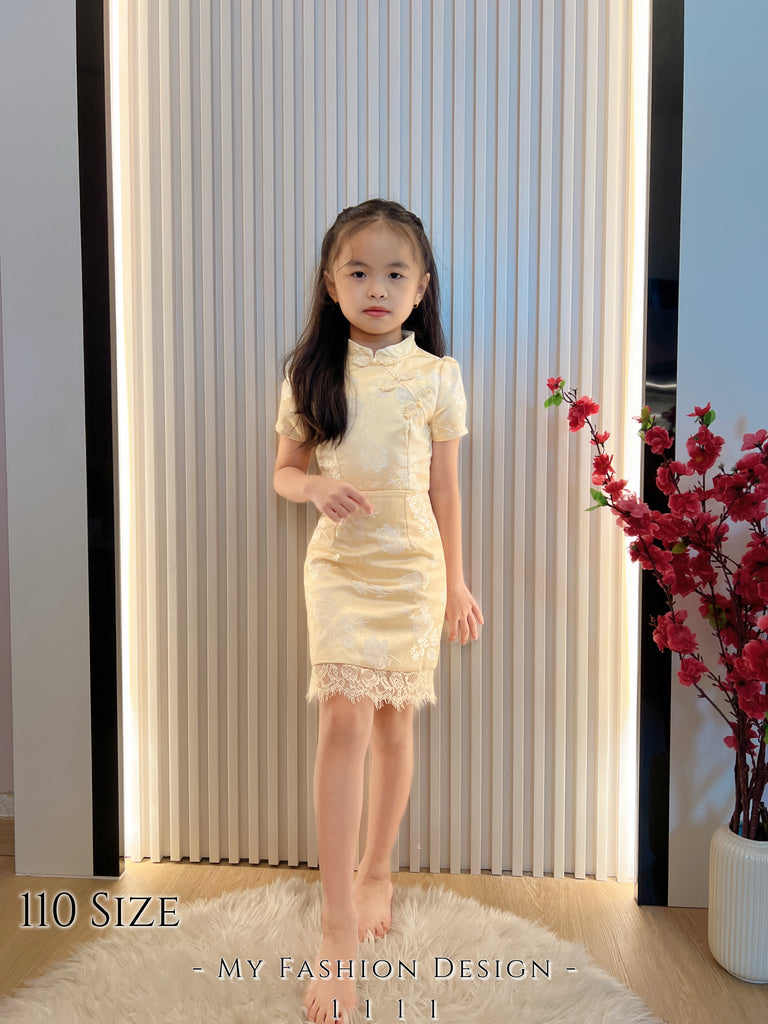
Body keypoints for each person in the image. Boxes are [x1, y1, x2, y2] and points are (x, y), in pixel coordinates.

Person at [273, 198, 482, 1024]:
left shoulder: (437, 376)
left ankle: (378, 870)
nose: (377, 288)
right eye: (358, 272)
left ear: (421, 287)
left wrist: (458, 581)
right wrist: (313, 485)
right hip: (340, 569)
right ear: (331, 283)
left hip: (413, 570)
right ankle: (335, 937)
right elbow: (283, 471)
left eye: (395, 274)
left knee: (395, 724)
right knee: (343, 722)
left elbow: (446, 491)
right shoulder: (310, 373)